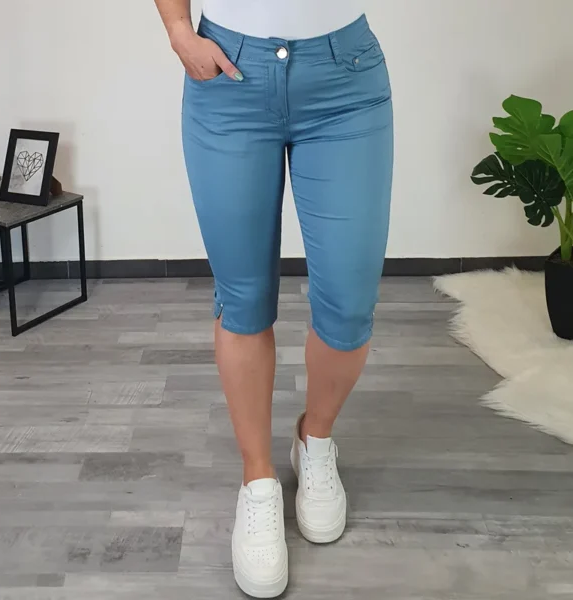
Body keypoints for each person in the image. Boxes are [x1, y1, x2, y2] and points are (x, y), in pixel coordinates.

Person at [154, 1, 393, 596]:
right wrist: (179, 30)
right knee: (243, 298)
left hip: (345, 76)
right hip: (229, 73)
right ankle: (257, 479)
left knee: (349, 300)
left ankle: (315, 439)